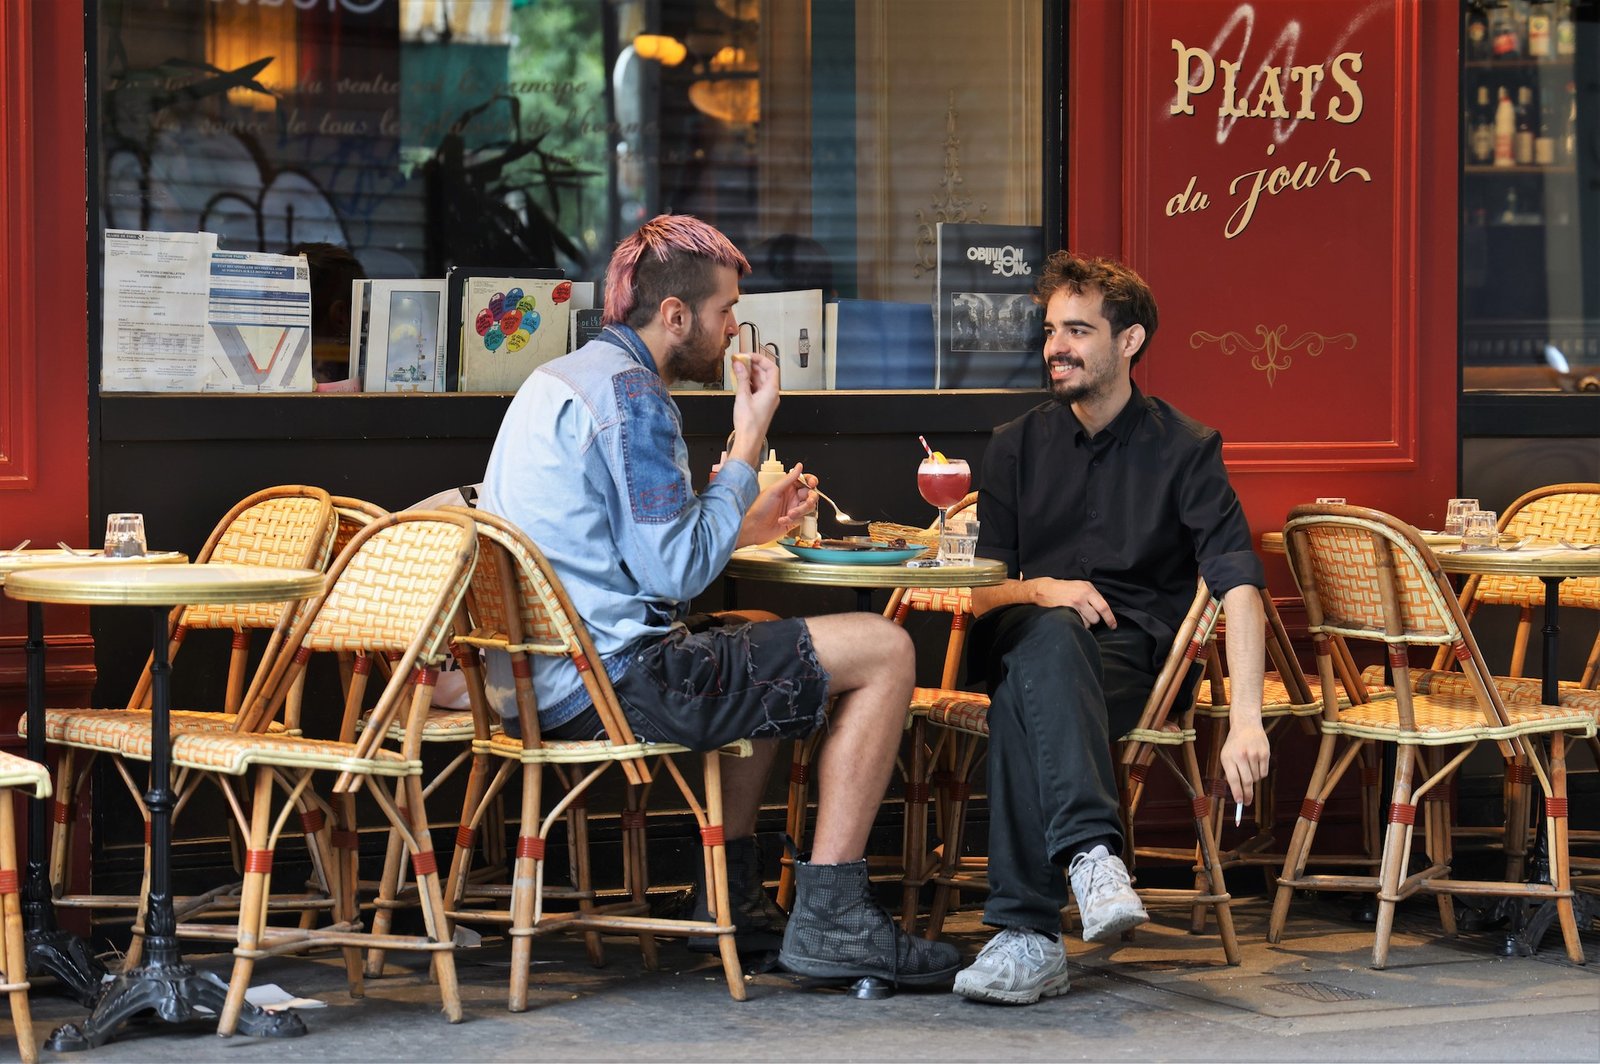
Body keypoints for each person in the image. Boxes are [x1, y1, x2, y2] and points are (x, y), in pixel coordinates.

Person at [479, 214, 960, 987]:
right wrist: (747, 437)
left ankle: (724, 902)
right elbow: (673, 573)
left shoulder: (562, 379)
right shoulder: (633, 396)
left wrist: (740, 525)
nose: (735, 329)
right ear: (676, 317)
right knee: (886, 648)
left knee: (760, 629)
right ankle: (834, 920)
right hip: (614, 683)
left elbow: (633, 551)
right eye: (726, 311)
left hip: (542, 681)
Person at [952, 251, 1271, 1006]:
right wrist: (1046, 588)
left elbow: (1240, 583)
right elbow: (977, 599)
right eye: (1050, 330)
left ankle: (1027, 935)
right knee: (1050, 634)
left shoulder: (1187, 449)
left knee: (1026, 699)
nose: (1054, 346)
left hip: (1133, 662)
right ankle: (1093, 854)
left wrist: (1248, 719)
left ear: (1129, 343)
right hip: (1025, 636)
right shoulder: (1015, 446)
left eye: (1077, 330)